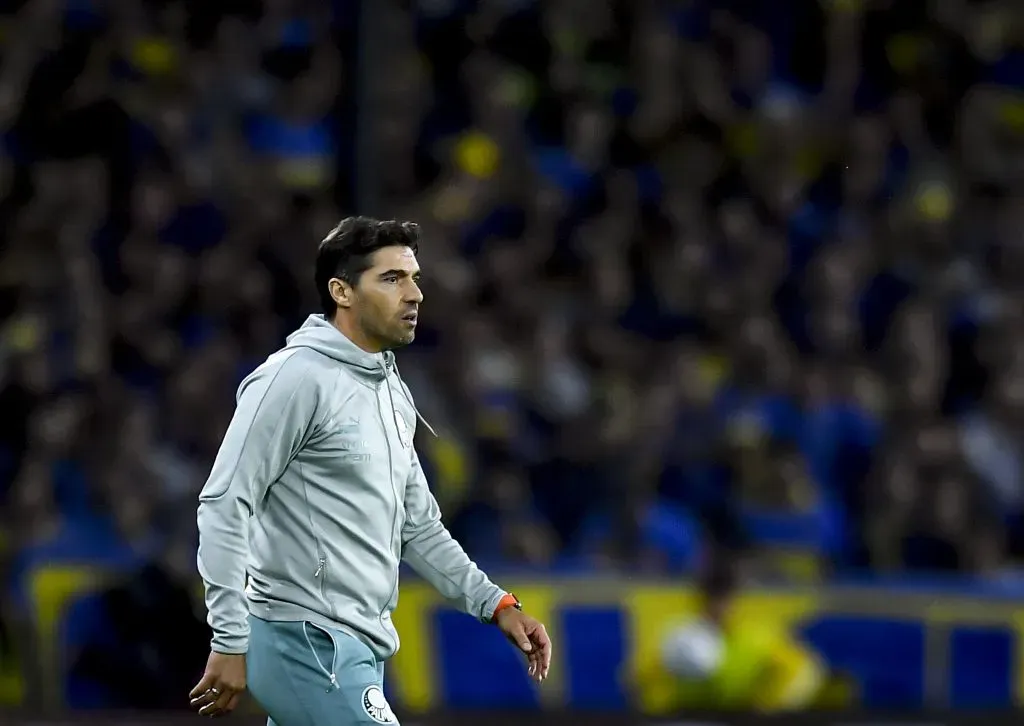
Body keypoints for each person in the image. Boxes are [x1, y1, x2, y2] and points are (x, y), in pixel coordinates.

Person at [190, 217, 551, 724]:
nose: (414, 294)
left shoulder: (390, 390)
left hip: (357, 647)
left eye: (415, 278)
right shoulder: (295, 378)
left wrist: (497, 604)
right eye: (392, 279)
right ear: (341, 291)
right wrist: (229, 638)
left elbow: (418, 525)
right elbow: (225, 504)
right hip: (307, 640)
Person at [628, 555, 824, 714]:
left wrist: (766, 705)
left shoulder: (756, 637)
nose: (717, 607)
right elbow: (640, 679)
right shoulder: (677, 637)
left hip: (740, 716)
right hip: (688, 716)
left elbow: (802, 671)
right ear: (700, 599)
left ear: (734, 599)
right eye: (711, 598)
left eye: (724, 599)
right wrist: (661, 705)